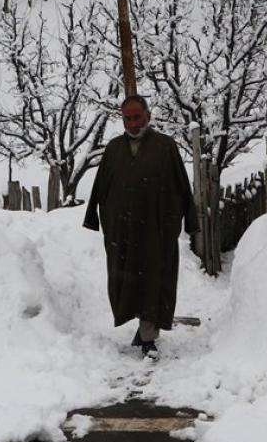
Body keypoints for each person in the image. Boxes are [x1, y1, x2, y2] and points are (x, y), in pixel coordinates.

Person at [83, 95, 198, 357]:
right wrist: (94, 218)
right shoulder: (113, 149)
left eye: (137, 117)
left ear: (148, 115)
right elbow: (100, 186)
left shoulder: (165, 147)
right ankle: (143, 327)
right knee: (127, 282)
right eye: (127, 118)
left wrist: (189, 221)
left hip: (155, 231)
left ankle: (148, 337)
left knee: (153, 281)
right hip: (122, 232)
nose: (133, 123)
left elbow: (182, 186)